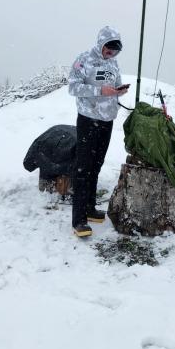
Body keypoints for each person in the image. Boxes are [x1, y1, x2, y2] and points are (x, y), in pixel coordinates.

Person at [68, 25, 130, 238]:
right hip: (88, 119)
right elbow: (73, 87)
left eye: (115, 51)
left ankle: (90, 208)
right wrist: (99, 90)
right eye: (108, 49)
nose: (111, 54)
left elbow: (116, 85)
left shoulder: (113, 64)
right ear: (101, 44)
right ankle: (79, 220)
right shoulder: (84, 59)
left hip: (107, 120)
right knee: (83, 167)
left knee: (96, 165)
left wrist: (119, 91)